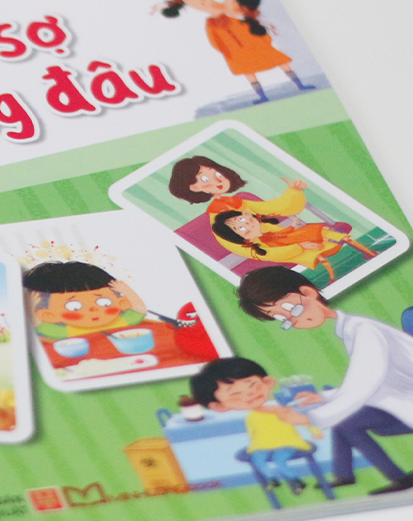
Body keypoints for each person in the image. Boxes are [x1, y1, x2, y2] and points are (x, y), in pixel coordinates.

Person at [237, 266, 413, 494]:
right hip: (400, 399)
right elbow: (375, 380)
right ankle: (347, 474)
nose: (294, 320)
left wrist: (312, 416)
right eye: (283, 318)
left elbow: (365, 383)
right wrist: (323, 396)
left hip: (405, 402)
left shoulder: (364, 330)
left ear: (308, 292)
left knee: (346, 422)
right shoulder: (351, 327)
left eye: (292, 309)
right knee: (345, 422)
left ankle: (394, 478)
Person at [161, 0, 315, 104]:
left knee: (279, 64)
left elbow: (252, 34)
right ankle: (263, 96)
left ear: (237, 5)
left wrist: (258, 42)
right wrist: (228, 51)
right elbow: (215, 41)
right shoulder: (212, 24)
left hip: (255, 48)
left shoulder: (236, 19)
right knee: (251, 73)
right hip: (237, 53)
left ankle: (299, 85)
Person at [189, 357, 321, 494]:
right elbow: (253, 433)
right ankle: (272, 479)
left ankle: (295, 481)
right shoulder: (251, 415)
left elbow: (304, 419)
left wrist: (315, 431)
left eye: (252, 385)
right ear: (219, 406)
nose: (250, 394)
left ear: (268, 382)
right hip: (262, 445)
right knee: (258, 460)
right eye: (235, 394)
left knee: (279, 460)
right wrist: (254, 445)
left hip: (287, 442)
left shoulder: (279, 407)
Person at [212, 209, 376, 281]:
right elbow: (283, 247)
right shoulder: (261, 243)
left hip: (296, 239)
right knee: (318, 247)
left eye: (242, 219)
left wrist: (294, 226)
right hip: (299, 249)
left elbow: (285, 233)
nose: (246, 224)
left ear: (246, 214)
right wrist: (302, 245)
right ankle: (333, 276)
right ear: (241, 237)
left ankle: (367, 251)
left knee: (320, 230)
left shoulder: (266, 227)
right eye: (240, 228)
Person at [22, 261, 147, 340]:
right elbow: (39, 325)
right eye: (74, 307)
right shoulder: (67, 331)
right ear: (49, 315)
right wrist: (31, 304)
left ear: (122, 303)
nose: (93, 309)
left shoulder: (122, 320)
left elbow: (139, 310)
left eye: (104, 302)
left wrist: (126, 291)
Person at [167, 154, 307, 217]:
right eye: (204, 178)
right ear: (194, 187)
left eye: (217, 173)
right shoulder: (223, 206)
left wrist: (292, 188)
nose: (218, 180)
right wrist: (293, 191)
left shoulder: (240, 193)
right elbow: (282, 208)